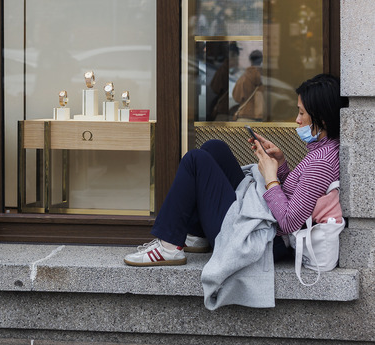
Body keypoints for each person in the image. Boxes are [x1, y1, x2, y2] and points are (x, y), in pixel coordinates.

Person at [124, 74, 345, 268]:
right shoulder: (324, 149)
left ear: (322, 119)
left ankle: (169, 247)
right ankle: (200, 233)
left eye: (302, 113)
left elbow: (289, 222)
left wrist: (270, 178)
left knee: (195, 160)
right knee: (214, 148)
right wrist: (281, 163)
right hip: (265, 225)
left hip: (265, 241)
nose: (297, 120)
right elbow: (300, 194)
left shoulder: (321, 162)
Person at [232, 50, 264, 121]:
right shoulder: (266, 78)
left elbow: (237, 97)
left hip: (246, 116)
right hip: (262, 118)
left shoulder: (245, 77)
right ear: (261, 60)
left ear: (250, 60)